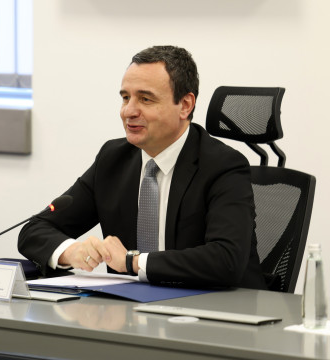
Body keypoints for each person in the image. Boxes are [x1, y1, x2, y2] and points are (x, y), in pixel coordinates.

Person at [18, 45, 266, 289]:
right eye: (125, 97)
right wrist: (72, 251)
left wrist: (132, 262)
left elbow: (225, 260)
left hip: (217, 313)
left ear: (185, 105)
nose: (128, 111)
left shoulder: (223, 166)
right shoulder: (113, 159)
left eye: (145, 99)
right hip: (131, 314)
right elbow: (35, 230)